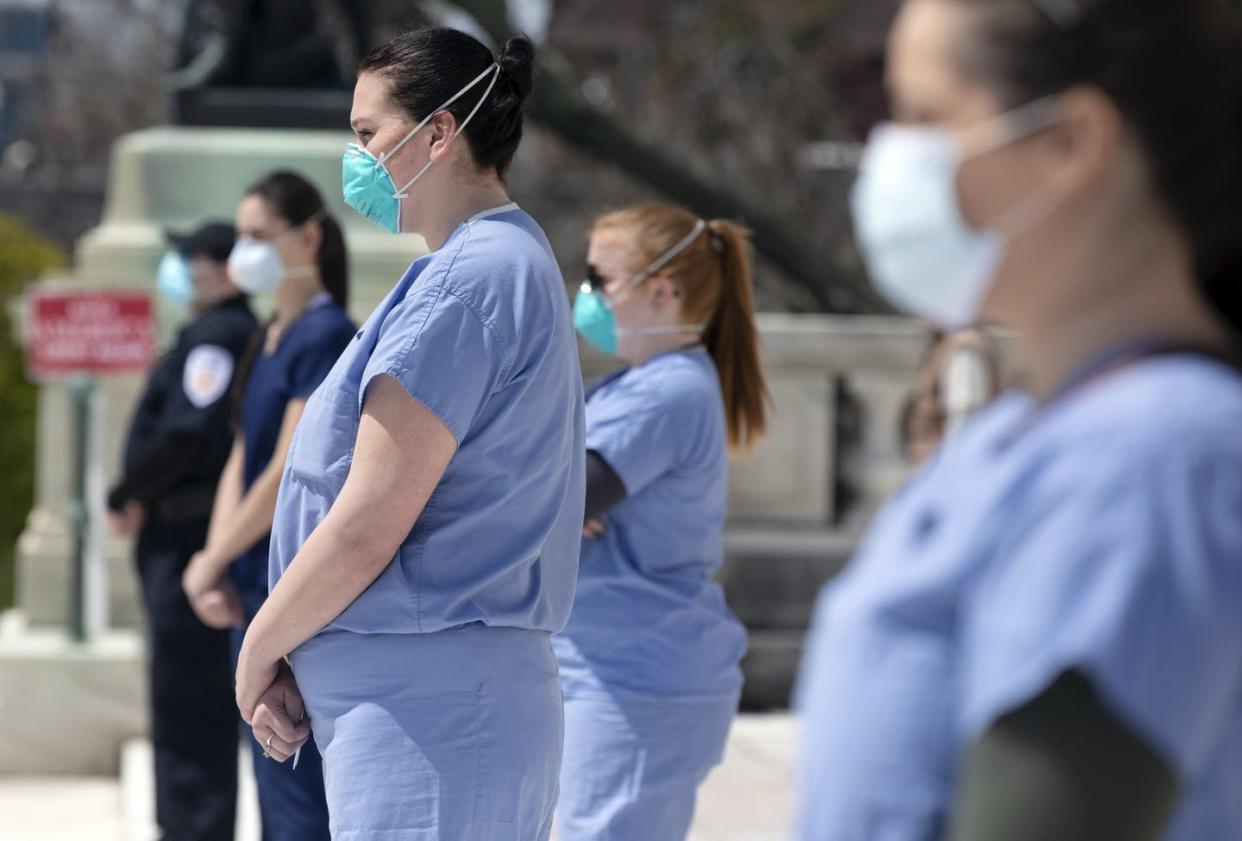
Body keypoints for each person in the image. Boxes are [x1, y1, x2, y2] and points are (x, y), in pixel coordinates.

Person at [797, 1, 1242, 840]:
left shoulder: (1148, 464)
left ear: (1070, 143)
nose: (888, 156)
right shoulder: (1024, 438)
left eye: (924, 116)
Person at [232, 27, 585, 840]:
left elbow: (368, 522)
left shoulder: (467, 281)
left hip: (427, 713)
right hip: (441, 702)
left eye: (367, 133)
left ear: (439, 133)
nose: (354, 156)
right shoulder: (503, 259)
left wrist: (260, 648)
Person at [554, 204, 768, 840]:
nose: (587, 295)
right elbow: (555, 496)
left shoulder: (668, 391)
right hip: (618, 672)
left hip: (636, 682)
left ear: (663, 290)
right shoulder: (639, 384)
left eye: (602, 279)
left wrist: (556, 495)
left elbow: (562, 500)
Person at [181, 171, 354, 841]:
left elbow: (289, 464)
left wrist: (213, 557)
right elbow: (243, 452)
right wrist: (214, 560)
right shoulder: (268, 336)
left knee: (299, 798)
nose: (242, 251)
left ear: (308, 236)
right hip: (247, 589)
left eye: (258, 235)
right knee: (272, 792)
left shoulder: (327, 334)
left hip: (291, 596)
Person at [108, 221, 257, 841]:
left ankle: (193, 829)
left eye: (193, 258)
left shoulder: (220, 338)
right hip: (179, 534)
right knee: (183, 699)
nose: (182, 269)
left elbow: (187, 434)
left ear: (225, 269)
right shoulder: (210, 333)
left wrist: (129, 490)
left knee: (188, 702)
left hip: (188, 537)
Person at [902, 326, 1003, 465]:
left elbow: (964, 422)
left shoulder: (964, 348)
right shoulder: (952, 345)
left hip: (948, 468)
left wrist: (951, 473)